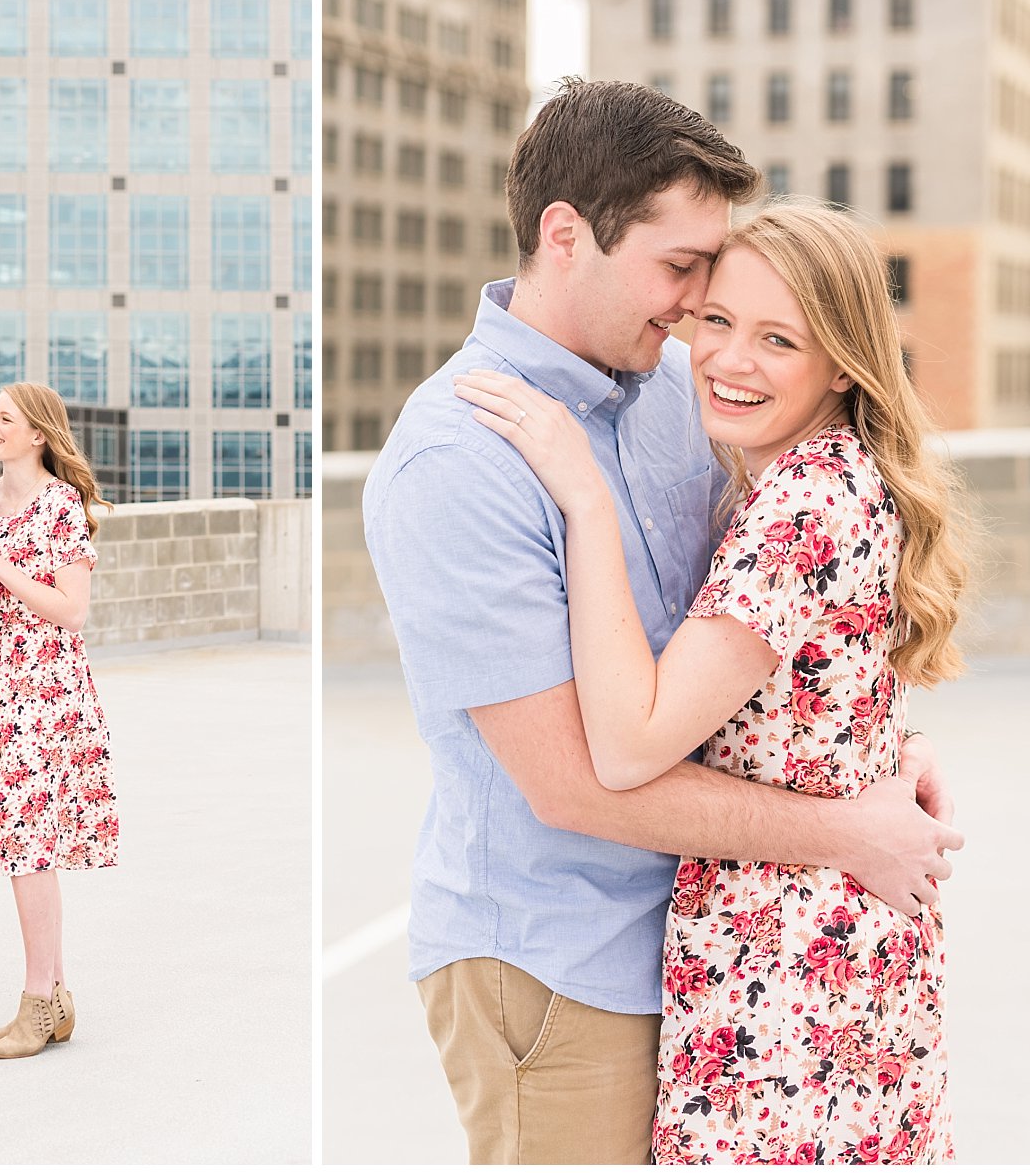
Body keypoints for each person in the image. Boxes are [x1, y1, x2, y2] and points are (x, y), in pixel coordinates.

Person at [362, 79, 961, 1164]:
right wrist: (847, 827)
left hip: (726, 953)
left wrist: (875, 748)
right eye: (681, 270)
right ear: (564, 234)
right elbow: (574, 778)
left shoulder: (689, 384)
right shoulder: (458, 459)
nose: (698, 309)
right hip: (560, 964)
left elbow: (795, 630)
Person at [0, 381, 118, 1061]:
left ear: (38, 433)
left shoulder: (60, 507)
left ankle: (38, 1002)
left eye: (5, 418)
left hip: (44, 692)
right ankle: (55, 993)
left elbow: (71, 609)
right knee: (19, 846)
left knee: (29, 852)